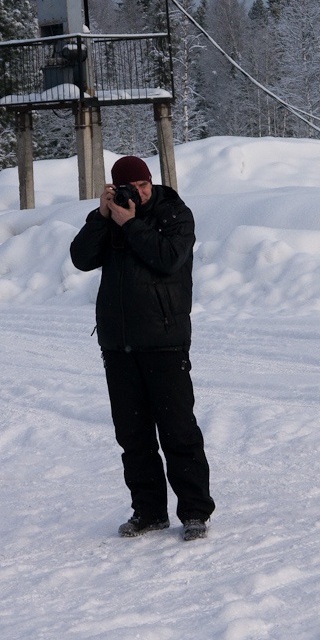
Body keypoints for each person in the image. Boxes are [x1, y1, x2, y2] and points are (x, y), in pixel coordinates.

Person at [69, 155, 215, 541]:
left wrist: (131, 224)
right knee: (133, 436)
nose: (139, 193)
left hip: (164, 341)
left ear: (152, 182)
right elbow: (81, 258)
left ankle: (195, 512)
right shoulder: (110, 216)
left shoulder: (175, 214)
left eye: (144, 185)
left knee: (178, 431)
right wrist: (102, 217)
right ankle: (149, 513)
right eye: (130, 187)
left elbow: (168, 259)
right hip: (119, 344)